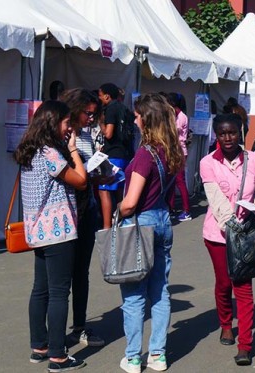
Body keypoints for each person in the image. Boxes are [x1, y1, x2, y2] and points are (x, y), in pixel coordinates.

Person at [14, 101, 88, 372]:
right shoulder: (50, 154)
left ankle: (40, 346)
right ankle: (58, 355)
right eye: (66, 123)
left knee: (40, 289)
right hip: (58, 230)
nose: (69, 128)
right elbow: (80, 180)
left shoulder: (29, 150)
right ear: (52, 122)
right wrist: (73, 150)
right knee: (58, 293)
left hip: (37, 229)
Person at [117, 93, 183, 373]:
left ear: (147, 118)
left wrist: (118, 207)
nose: (134, 119)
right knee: (159, 291)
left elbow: (131, 202)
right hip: (162, 220)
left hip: (141, 222)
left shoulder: (146, 153)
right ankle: (158, 354)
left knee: (133, 294)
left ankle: (133, 357)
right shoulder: (171, 150)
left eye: (137, 115)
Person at [200, 114, 255, 366]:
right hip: (218, 235)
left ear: (240, 132)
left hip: (248, 233)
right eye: (222, 134)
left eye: (232, 133)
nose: (228, 138)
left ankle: (245, 345)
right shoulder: (208, 163)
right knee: (224, 283)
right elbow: (215, 199)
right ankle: (226, 324)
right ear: (216, 135)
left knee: (244, 287)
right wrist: (231, 226)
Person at [59, 88, 107, 348]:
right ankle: (56, 333)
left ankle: (79, 326)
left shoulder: (87, 136)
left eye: (94, 114)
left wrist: (102, 174)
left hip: (86, 209)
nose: (91, 118)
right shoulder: (60, 137)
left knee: (81, 272)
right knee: (59, 280)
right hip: (64, 212)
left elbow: (86, 175)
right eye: (87, 113)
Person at [98, 83, 132, 229]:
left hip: (113, 154)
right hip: (124, 153)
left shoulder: (110, 108)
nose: (99, 99)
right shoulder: (123, 108)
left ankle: (106, 227)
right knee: (119, 190)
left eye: (100, 95)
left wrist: (100, 121)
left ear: (107, 95)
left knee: (104, 190)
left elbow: (109, 133)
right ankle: (121, 223)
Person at [167, 92, 192, 222]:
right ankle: (170, 209)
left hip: (180, 151)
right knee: (171, 181)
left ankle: (187, 210)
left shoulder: (182, 117)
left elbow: (174, 132)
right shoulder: (174, 115)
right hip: (173, 150)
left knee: (180, 181)